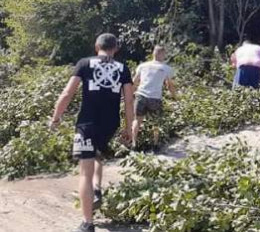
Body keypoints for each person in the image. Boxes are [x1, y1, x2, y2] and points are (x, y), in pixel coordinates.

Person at [49, 33, 134, 232]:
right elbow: (129, 101)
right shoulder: (123, 68)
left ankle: (87, 223)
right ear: (116, 49)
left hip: (87, 123)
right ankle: (97, 189)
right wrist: (128, 128)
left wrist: (56, 118)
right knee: (97, 154)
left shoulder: (84, 63)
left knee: (84, 173)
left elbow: (67, 93)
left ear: (97, 47)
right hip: (110, 124)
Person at [131, 45, 177, 148]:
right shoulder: (166, 68)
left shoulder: (142, 66)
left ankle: (134, 144)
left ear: (153, 53)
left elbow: (134, 82)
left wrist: (129, 95)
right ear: (162, 54)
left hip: (141, 96)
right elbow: (170, 85)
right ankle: (155, 144)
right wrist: (175, 96)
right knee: (155, 122)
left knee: (137, 120)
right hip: (155, 98)